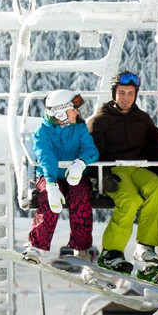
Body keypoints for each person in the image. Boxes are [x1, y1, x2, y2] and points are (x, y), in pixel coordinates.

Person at [87, 71, 158, 288]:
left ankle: (145, 247)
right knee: (130, 200)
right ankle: (111, 252)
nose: (126, 98)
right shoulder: (100, 120)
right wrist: (102, 174)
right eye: (122, 93)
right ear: (114, 94)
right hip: (114, 170)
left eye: (130, 93)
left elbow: (156, 145)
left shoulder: (142, 119)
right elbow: (91, 153)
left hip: (139, 168)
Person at [22, 89, 99, 263]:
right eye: (73, 110)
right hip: (49, 175)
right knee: (49, 199)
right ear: (60, 113)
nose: (77, 113)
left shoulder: (79, 128)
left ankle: (81, 248)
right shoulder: (42, 132)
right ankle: (36, 246)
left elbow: (91, 150)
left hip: (74, 175)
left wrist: (80, 163)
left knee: (81, 194)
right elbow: (46, 158)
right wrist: (50, 185)